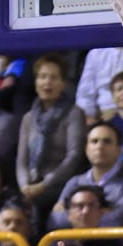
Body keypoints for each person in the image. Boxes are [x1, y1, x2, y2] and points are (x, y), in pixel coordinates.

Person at [15, 54, 88, 222]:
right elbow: (21, 161)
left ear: (63, 84)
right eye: (42, 77)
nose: (47, 82)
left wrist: (44, 185)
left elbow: (74, 156)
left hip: (61, 186)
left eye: (54, 78)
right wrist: (25, 186)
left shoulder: (74, 113)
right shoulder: (28, 118)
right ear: (35, 82)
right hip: (31, 186)